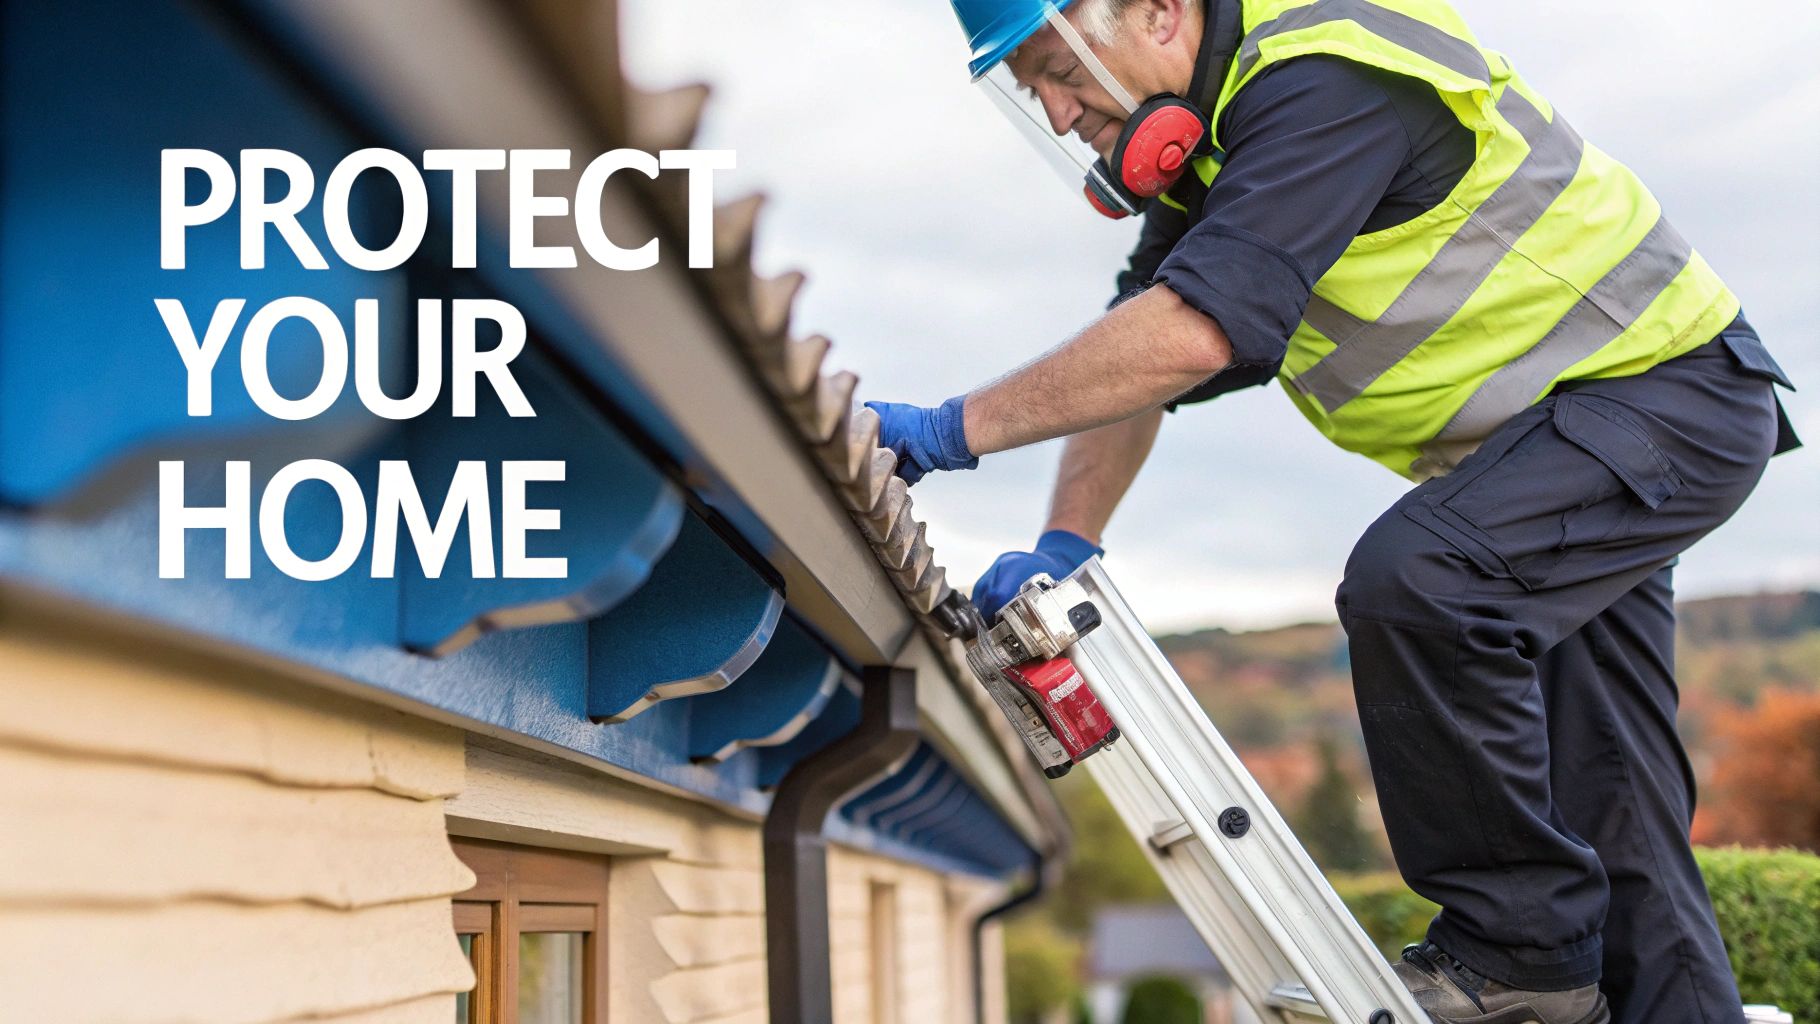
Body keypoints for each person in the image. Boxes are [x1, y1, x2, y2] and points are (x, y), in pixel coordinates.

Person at [865, 1, 1802, 1022]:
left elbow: (1187, 336)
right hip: (1578, 445)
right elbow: (1136, 348)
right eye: (1028, 91)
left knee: (1420, 583)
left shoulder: (1318, 85)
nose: (1055, 115)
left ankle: (1519, 951)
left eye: (1057, 71)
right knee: (1607, 791)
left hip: (1661, 402)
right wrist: (1067, 542)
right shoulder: (1222, 145)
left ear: (1154, 11)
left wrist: (943, 431)